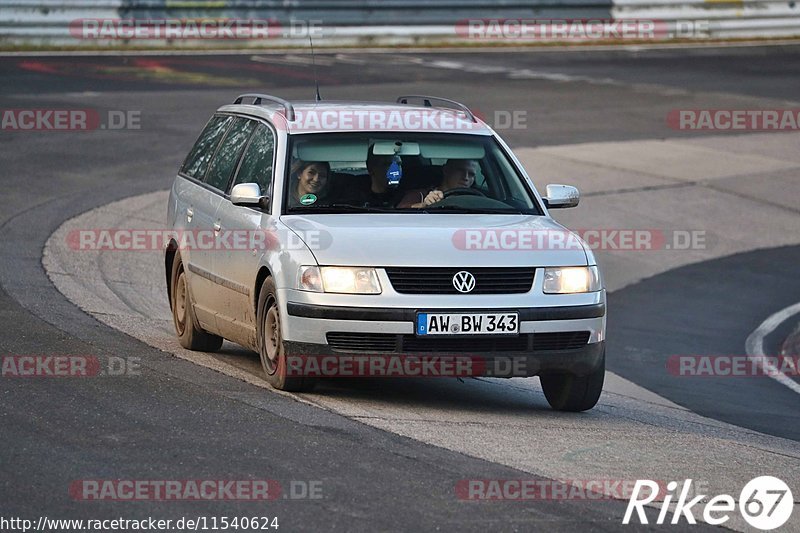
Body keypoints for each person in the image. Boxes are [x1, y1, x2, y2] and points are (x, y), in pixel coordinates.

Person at [396, 159, 478, 208]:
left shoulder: (477, 200)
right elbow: (399, 213)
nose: (466, 178)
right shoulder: (420, 195)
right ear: (446, 170)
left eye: (471, 174)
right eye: (460, 171)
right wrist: (425, 205)